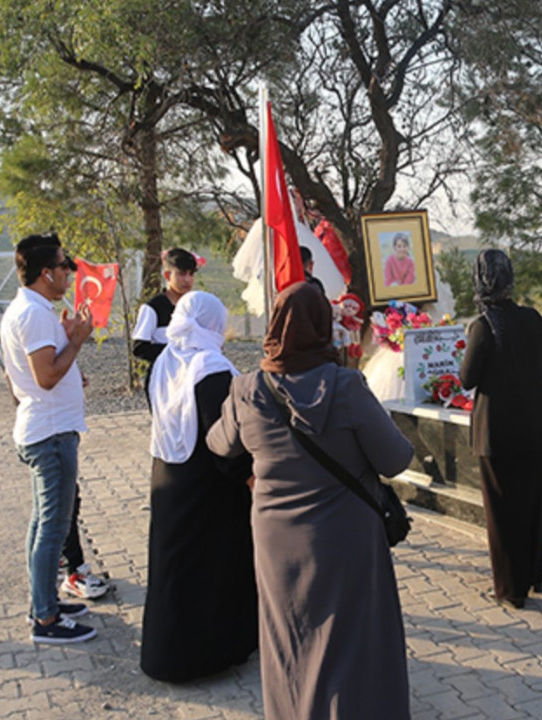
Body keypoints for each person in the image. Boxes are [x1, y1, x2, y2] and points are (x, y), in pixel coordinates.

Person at [206, 282, 414, 720]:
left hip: (277, 539)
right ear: (323, 326)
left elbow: (219, 444)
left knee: (289, 637)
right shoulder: (347, 386)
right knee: (355, 640)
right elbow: (395, 459)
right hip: (347, 537)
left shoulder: (247, 389)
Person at [140, 291, 258, 682]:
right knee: (210, 567)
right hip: (207, 486)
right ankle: (206, 655)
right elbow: (222, 438)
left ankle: (164, 653)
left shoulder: (164, 360)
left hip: (168, 476)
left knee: (173, 566)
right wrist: (247, 475)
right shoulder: (210, 368)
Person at [0, 232, 98, 644]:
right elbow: (46, 375)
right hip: (51, 436)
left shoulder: (26, 310)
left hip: (44, 427)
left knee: (44, 524)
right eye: (64, 266)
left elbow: (23, 378)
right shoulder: (35, 315)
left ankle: (44, 604)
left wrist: (70, 368)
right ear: (45, 273)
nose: (69, 273)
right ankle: (45, 619)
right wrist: (75, 343)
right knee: (53, 529)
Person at [458, 249, 542, 610]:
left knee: (502, 513)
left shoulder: (483, 327)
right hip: (535, 427)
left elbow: (467, 379)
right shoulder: (532, 319)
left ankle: (512, 590)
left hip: (497, 434)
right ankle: (534, 575)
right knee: (533, 504)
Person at [132, 249, 199, 408]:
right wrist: (177, 352)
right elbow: (140, 348)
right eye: (182, 274)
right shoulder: (152, 308)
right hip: (163, 379)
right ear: (167, 276)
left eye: (191, 274)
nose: (187, 280)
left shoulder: (196, 305)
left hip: (192, 377)